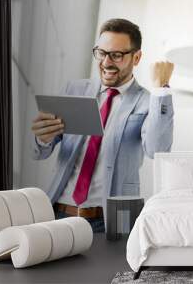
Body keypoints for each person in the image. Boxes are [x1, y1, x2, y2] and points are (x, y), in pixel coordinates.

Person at [31, 18, 174, 232]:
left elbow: (157, 150)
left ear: (136, 57)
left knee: (116, 267)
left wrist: (161, 89)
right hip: (59, 212)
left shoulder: (148, 100)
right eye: (101, 53)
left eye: (116, 55)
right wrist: (42, 138)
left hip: (115, 218)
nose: (106, 62)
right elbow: (39, 153)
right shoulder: (74, 89)